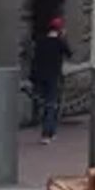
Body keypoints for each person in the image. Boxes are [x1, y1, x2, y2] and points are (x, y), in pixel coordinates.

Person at [29, 15, 72, 143]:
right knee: (51, 105)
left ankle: (47, 128)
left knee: (43, 103)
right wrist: (64, 38)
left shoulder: (40, 41)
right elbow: (69, 54)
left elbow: (34, 58)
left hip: (39, 77)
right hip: (53, 77)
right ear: (60, 30)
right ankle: (47, 133)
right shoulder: (60, 43)